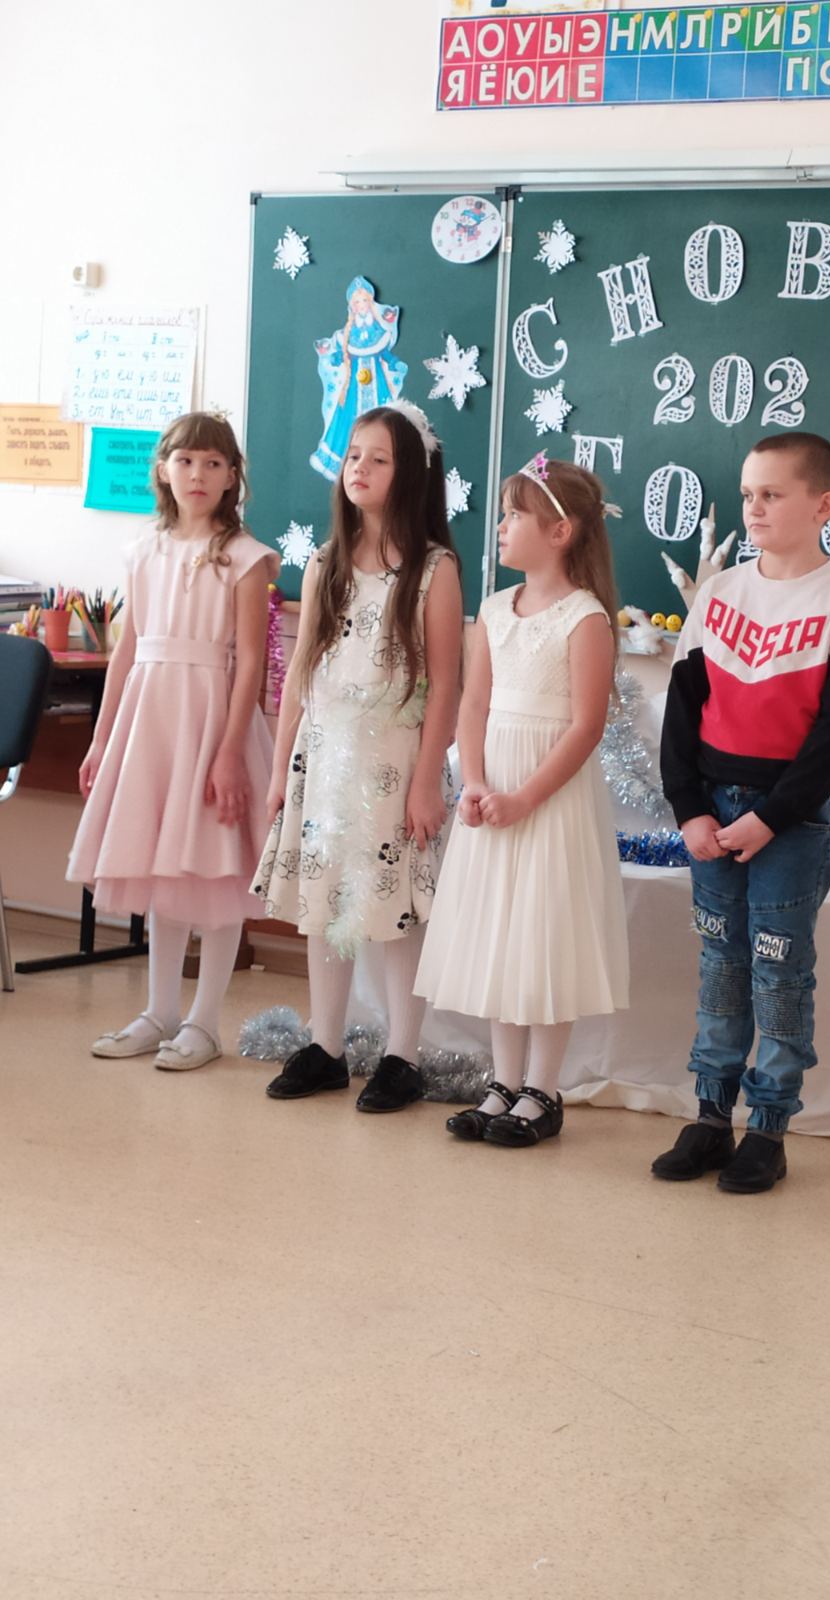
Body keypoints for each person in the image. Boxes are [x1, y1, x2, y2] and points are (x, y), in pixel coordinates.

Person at [653, 433, 830, 1193]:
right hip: (714, 815)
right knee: (722, 963)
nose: (754, 508)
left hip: (790, 825)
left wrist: (773, 818)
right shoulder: (720, 592)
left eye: (772, 494)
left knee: (779, 971)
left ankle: (769, 1128)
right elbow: (683, 710)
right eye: (749, 494)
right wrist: (690, 810)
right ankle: (710, 1117)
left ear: (823, 505)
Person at [414, 455, 629, 1147]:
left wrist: (526, 797)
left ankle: (543, 1088)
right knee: (499, 936)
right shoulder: (492, 610)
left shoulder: (585, 617)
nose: (501, 526)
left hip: (548, 799)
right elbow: (473, 703)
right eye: (503, 514)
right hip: (493, 795)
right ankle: (502, 1083)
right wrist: (475, 782)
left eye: (514, 515)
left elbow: (586, 726)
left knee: (544, 934)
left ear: (560, 531)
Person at [254, 403, 462, 1110]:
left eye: (378, 458)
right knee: (324, 898)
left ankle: (404, 1053)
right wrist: (279, 771)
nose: (359, 469)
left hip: (393, 762)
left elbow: (446, 684)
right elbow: (300, 675)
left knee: (394, 904)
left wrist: (427, 781)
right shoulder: (326, 562)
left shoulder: (433, 569)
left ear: (410, 475)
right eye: (352, 456)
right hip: (324, 756)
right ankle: (326, 1045)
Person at [69, 411, 278, 1070]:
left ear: (232, 476)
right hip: (150, 723)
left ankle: (203, 1022)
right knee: (164, 865)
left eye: (213, 463)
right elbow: (127, 650)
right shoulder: (144, 550)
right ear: (164, 469)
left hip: (213, 721)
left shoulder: (246, 557)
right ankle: (159, 1011)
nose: (198, 474)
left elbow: (251, 661)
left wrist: (229, 752)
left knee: (214, 867)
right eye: (186, 460)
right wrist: (102, 740)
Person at [310, 277, 408, 482]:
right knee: (349, 419)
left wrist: (394, 363)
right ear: (352, 306)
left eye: (364, 300)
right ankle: (346, 460)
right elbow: (344, 353)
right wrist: (335, 357)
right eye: (357, 302)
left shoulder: (377, 331)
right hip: (354, 386)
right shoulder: (348, 334)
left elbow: (384, 353)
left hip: (376, 383)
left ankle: (382, 461)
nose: (361, 305)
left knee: (383, 420)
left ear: (370, 302)